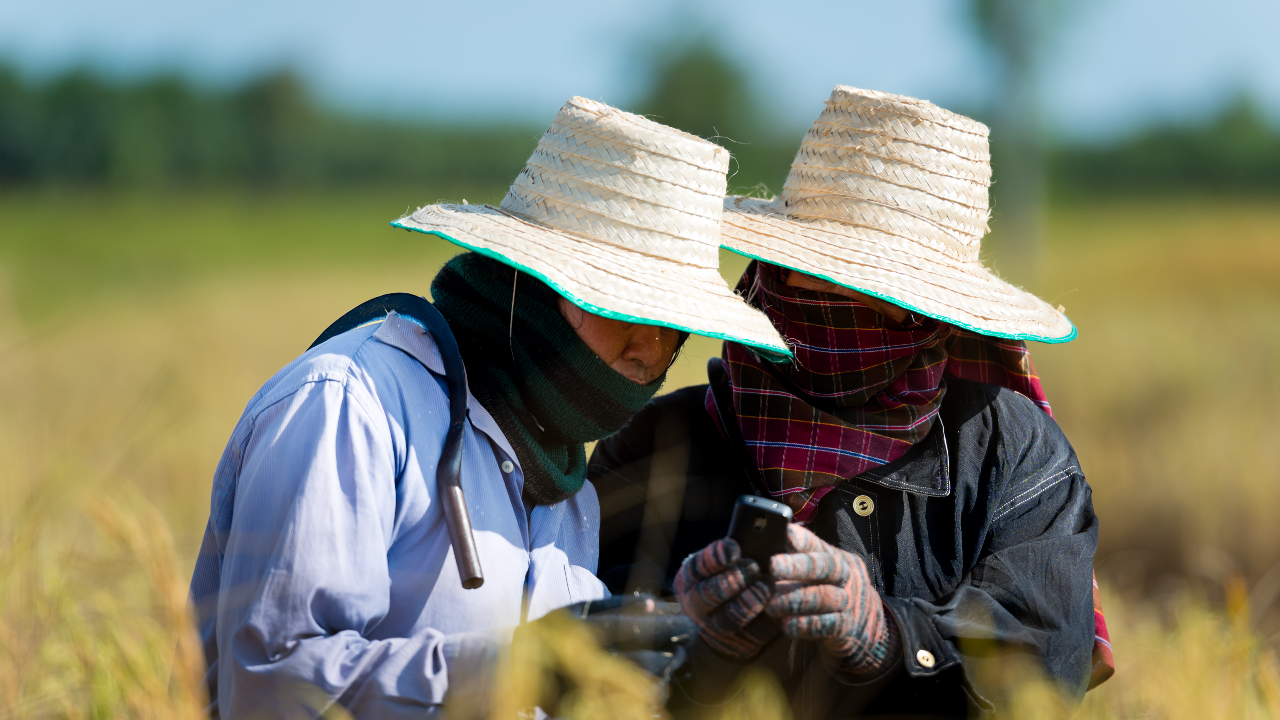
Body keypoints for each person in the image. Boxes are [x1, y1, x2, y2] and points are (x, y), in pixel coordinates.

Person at [186, 96, 790, 719]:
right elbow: (272, 686)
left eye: (674, 328)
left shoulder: (565, 481)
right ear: (528, 282)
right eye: (624, 309)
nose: (650, 351)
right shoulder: (351, 407)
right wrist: (523, 670)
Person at [590, 86, 1110, 718]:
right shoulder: (662, 446)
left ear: (932, 315)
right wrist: (703, 648)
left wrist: (885, 635)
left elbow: (1045, 667)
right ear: (772, 270)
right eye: (822, 277)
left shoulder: (1011, 450)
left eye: (879, 295)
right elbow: (580, 659)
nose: (845, 311)